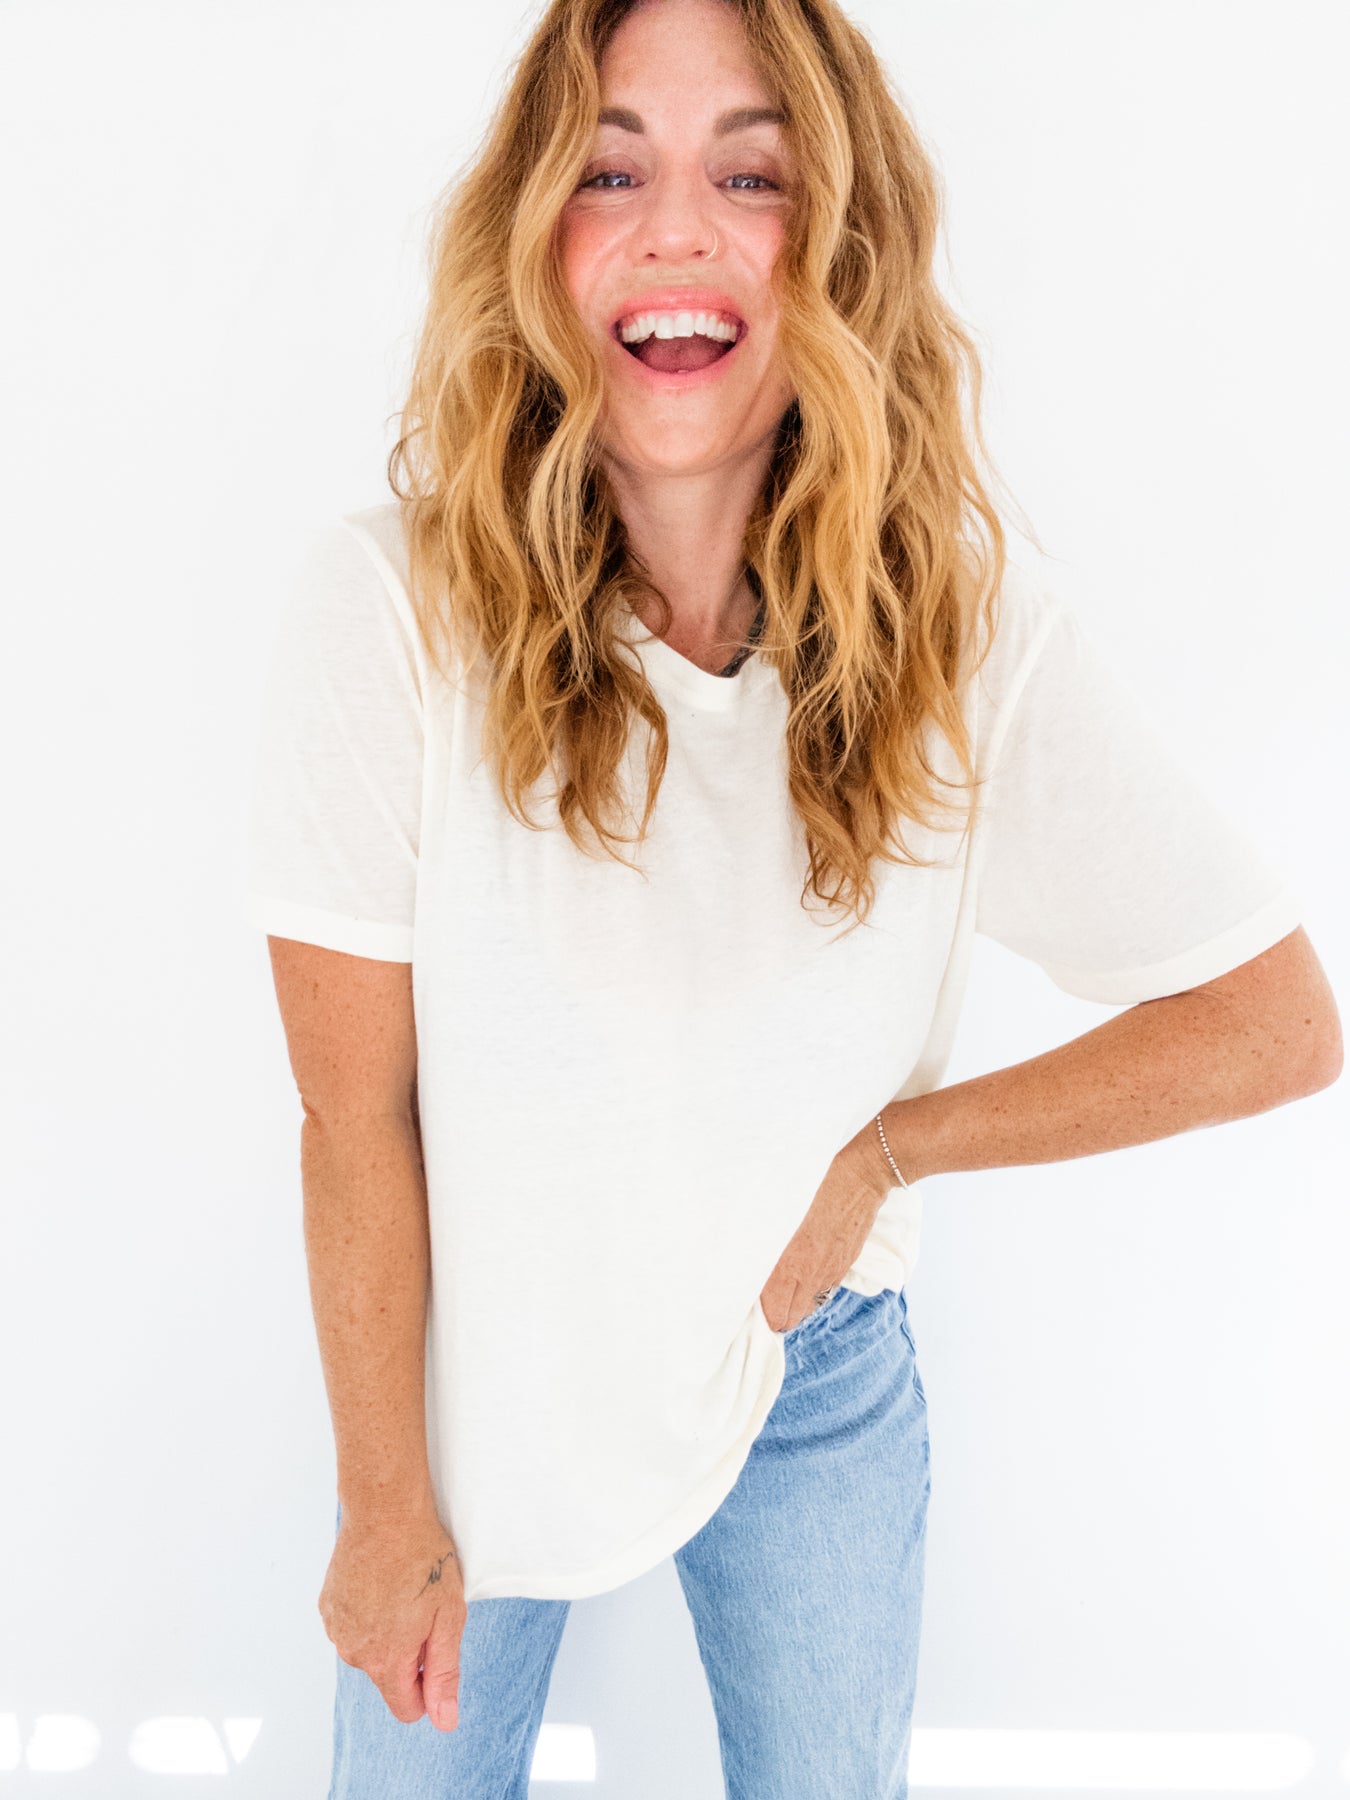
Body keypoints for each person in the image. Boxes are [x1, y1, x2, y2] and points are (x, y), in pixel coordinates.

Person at [243, 1, 1342, 1795]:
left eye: (748, 176)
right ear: (532, 234)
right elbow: (352, 1114)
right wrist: (382, 1506)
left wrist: (890, 1153)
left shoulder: (959, 636)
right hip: (475, 1366)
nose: (676, 227)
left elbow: (1272, 1024)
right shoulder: (387, 613)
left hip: (804, 1370)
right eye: (610, 172)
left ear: (836, 242)